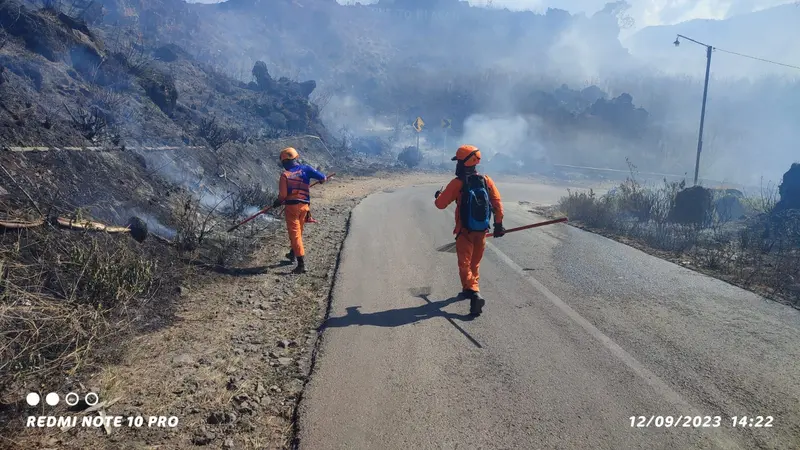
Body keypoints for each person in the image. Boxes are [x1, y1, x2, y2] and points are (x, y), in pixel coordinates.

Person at [434, 145, 504, 316]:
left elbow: (440, 204)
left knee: (464, 264)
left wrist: (438, 196)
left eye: (458, 161)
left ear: (463, 163)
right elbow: (497, 205)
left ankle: (474, 293)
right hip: (482, 231)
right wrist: (499, 225)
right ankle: (469, 289)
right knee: (475, 264)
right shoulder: (486, 181)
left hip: (464, 231)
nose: (456, 164)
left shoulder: (457, 183)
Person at [273, 147, 326, 274]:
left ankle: (301, 264)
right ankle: (292, 253)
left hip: (292, 208)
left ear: (285, 162)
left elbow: (283, 196)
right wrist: (321, 181)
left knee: (295, 233)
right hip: (304, 207)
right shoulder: (306, 169)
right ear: (296, 158)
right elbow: (323, 178)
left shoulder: (285, 176)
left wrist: (277, 202)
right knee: (298, 231)